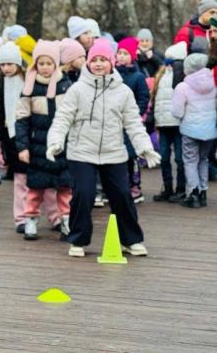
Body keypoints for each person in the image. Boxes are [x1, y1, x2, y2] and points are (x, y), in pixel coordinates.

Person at [47, 38, 161, 258]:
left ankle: (131, 240)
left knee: (121, 194)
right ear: (88, 63)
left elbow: (133, 123)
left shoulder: (123, 92)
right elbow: (62, 118)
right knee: (84, 193)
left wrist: (144, 147)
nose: (98, 64)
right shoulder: (77, 90)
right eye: (94, 60)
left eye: (103, 60)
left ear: (111, 62)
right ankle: (78, 240)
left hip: (113, 153)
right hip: (82, 151)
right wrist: (55, 141)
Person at [0, 42, 61, 233]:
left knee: (45, 179)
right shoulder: (0, 84)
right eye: (2, 65)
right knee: (20, 179)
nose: (6, 68)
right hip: (12, 137)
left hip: (35, 135)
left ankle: (55, 216)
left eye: (9, 64)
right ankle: (21, 218)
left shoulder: (29, 81)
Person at [15, 40, 72, 240]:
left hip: (61, 146)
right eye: (41, 63)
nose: (45, 67)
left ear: (56, 64)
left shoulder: (65, 85)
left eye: (49, 63)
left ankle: (66, 220)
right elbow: (21, 119)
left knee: (64, 188)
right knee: (35, 188)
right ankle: (30, 219)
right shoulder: (29, 88)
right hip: (37, 145)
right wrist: (22, 146)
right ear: (35, 64)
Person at [172, 53, 217, 208]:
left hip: (190, 130)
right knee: (203, 159)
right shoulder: (214, 82)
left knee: (190, 160)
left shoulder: (182, 87)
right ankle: (204, 191)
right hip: (210, 130)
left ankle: (193, 193)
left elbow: (177, 112)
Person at [150, 42, 187, 202]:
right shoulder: (161, 74)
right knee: (164, 157)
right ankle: (168, 187)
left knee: (179, 158)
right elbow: (156, 98)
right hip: (163, 122)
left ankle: (180, 189)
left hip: (178, 123)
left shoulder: (182, 74)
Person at [115, 37, 150, 204]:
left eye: (125, 53)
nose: (121, 56)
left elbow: (144, 98)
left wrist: (136, 115)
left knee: (131, 156)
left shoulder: (138, 77)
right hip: (113, 122)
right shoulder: (112, 75)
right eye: (119, 53)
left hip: (130, 122)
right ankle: (118, 186)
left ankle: (135, 186)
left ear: (132, 56)